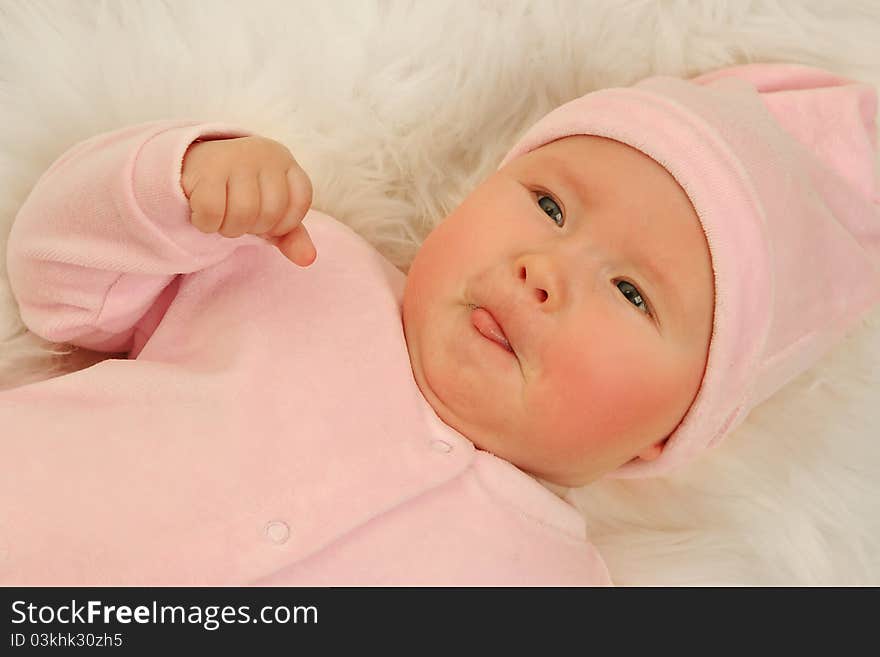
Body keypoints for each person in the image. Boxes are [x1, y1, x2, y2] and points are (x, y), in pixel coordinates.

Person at [1, 62, 877, 585]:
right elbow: (56, 287)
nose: (545, 270)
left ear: (665, 434)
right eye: (547, 203)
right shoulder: (299, 263)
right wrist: (179, 184)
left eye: (632, 292)